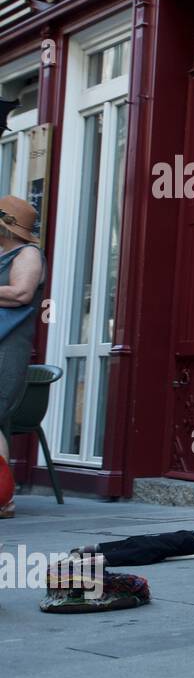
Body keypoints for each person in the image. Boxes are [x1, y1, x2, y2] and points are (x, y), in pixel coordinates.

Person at [0, 195, 45, 519]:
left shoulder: (28, 253)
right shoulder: (5, 254)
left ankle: (4, 499)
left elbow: (21, 293)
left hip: (7, 348)